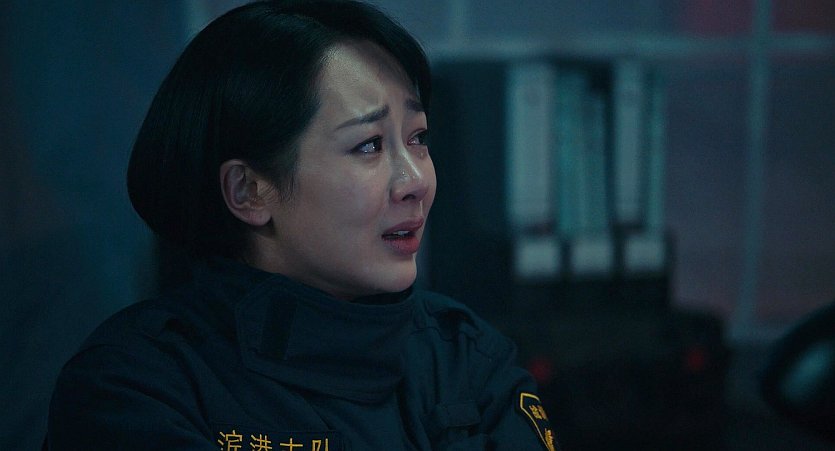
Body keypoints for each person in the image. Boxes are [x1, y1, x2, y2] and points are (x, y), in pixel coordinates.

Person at [46, 1, 558, 450]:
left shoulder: (466, 359)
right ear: (249, 191)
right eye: (369, 145)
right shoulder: (136, 385)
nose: (415, 182)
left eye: (418, 138)